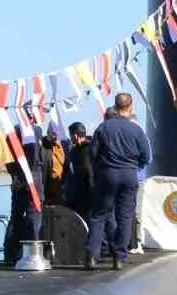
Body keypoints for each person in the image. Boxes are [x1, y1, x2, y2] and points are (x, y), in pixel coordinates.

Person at [86, 92, 151, 270]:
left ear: (115, 107)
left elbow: (92, 154)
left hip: (108, 174)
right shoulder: (136, 130)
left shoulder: (103, 128)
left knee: (99, 215)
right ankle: (119, 258)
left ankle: (92, 256)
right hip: (129, 174)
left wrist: (100, 168)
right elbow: (146, 155)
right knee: (125, 217)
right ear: (130, 107)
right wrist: (134, 165)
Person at [2, 139, 42, 265]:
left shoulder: (10, 138)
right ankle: (33, 254)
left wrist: (16, 178)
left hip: (18, 184)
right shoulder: (31, 136)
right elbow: (34, 161)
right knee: (33, 218)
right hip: (31, 185)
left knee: (16, 218)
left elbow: (8, 161)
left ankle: (10, 254)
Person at [64, 122, 94, 216]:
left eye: (71, 135)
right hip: (80, 192)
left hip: (85, 192)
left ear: (75, 135)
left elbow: (86, 170)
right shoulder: (77, 149)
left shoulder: (84, 150)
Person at [40, 129, 67, 206]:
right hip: (46, 188)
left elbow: (66, 165)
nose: (54, 137)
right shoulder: (43, 146)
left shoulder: (64, 145)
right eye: (52, 134)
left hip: (60, 189)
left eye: (56, 135)